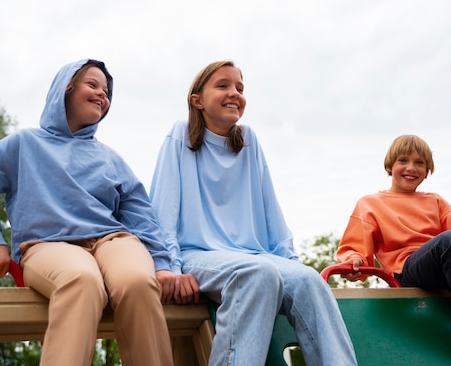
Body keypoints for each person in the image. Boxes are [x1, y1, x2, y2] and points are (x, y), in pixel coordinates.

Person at [0, 59, 176, 366]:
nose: (102, 94)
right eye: (93, 85)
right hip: (48, 245)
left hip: (112, 241)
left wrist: (162, 264)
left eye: (107, 90)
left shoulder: (110, 158)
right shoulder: (22, 144)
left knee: (138, 282)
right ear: (66, 89)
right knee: (82, 280)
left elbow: (141, 215)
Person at [150, 60, 357, 366]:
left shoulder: (249, 141)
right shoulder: (180, 135)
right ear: (197, 100)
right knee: (258, 275)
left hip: (254, 255)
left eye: (240, 88)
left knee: (309, 280)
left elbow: (270, 209)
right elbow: (162, 209)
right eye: (223, 85)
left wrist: (292, 264)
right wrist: (167, 265)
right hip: (198, 253)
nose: (234, 93)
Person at [337, 134, 451, 366]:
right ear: (389, 166)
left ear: (427, 171)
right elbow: (355, 247)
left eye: (419, 163)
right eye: (403, 161)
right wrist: (353, 260)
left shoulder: (436, 201)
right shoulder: (371, 203)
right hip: (410, 269)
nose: (411, 168)